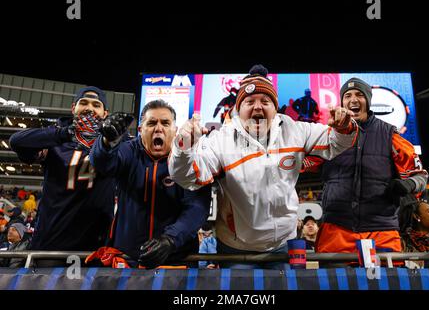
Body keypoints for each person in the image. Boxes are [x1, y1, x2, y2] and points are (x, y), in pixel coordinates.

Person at [169, 64, 358, 269]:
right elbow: (188, 177)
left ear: (275, 109)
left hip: (284, 244)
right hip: (237, 248)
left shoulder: (295, 129)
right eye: (249, 101)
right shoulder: (220, 140)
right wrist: (183, 146)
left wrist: (344, 127)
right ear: (238, 109)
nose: (258, 107)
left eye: (265, 101)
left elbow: (336, 142)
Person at [89, 99, 211, 268]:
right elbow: (102, 163)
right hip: (128, 260)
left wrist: (170, 239)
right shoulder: (129, 150)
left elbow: (197, 208)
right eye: (152, 123)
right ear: (140, 130)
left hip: (176, 261)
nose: (158, 128)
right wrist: (106, 142)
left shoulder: (191, 158)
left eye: (165, 123)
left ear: (175, 130)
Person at [313, 77, 429, 255]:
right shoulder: (327, 135)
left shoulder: (390, 135)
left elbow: (420, 175)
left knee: (385, 282)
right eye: (348, 95)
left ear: (368, 100)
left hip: (381, 230)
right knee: (336, 283)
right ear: (342, 102)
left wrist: (409, 184)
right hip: (336, 230)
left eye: (359, 94)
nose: (353, 99)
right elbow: (300, 164)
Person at [9, 86, 115, 258]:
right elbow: (16, 141)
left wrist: (113, 139)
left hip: (95, 248)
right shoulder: (56, 137)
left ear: (105, 113)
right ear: (73, 108)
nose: (89, 108)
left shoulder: (113, 143)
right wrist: (65, 134)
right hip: (50, 244)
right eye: (84, 103)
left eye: (96, 105)